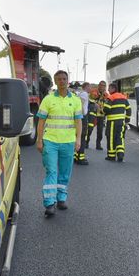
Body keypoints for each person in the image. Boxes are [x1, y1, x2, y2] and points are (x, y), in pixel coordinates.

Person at [35, 70, 83, 217]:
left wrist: (78, 139)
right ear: (55, 82)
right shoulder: (48, 99)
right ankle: (49, 203)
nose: (62, 81)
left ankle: (61, 199)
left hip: (68, 142)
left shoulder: (75, 100)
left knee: (64, 172)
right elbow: (41, 121)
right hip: (51, 142)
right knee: (51, 171)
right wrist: (39, 139)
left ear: (67, 81)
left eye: (64, 79)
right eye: (59, 79)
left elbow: (78, 121)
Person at [103, 83, 131, 162]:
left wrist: (103, 111)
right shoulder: (124, 97)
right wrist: (127, 121)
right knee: (120, 137)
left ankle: (111, 156)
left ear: (113, 89)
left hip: (112, 122)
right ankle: (120, 154)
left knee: (111, 138)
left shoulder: (111, 97)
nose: (108, 90)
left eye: (109, 88)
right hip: (121, 122)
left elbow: (107, 109)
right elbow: (129, 109)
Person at [73, 82, 91, 166]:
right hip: (82, 117)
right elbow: (81, 104)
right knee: (82, 137)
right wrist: (83, 113)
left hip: (80, 117)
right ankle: (80, 158)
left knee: (78, 136)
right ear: (86, 87)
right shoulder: (84, 94)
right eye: (89, 87)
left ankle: (76, 156)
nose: (90, 88)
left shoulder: (81, 93)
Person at [88, 80, 108, 150]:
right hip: (93, 114)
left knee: (100, 131)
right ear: (99, 85)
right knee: (90, 129)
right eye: (101, 85)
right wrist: (96, 101)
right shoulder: (94, 92)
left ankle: (98, 145)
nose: (102, 87)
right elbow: (90, 100)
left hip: (101, 115)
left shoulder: (106, 94)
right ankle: (86, 142)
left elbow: (107, 103)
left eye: (104, 86)